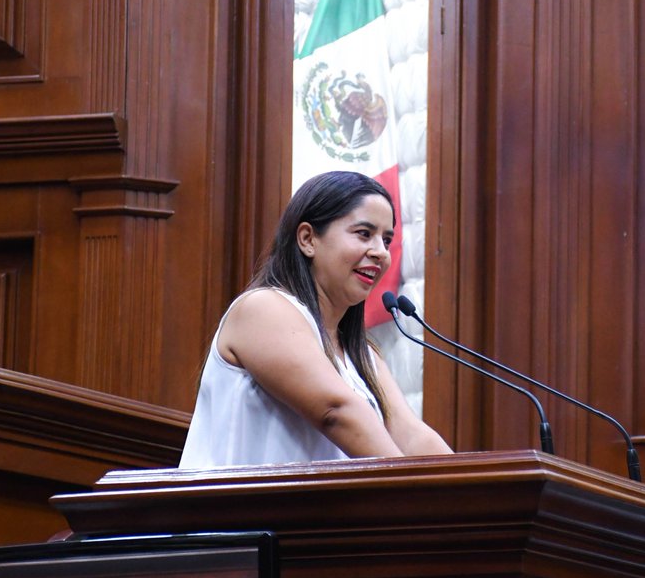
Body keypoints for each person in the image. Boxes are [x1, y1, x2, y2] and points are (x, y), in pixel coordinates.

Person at [179, 171, 451, 467]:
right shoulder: (263, 309)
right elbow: (335, 410)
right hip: (231, 510)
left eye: (386, 240)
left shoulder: (363, 353)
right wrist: (414, 491)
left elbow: (410, 435)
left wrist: (467, 494)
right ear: (308, 239)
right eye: (364, 234)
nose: (380, 252)